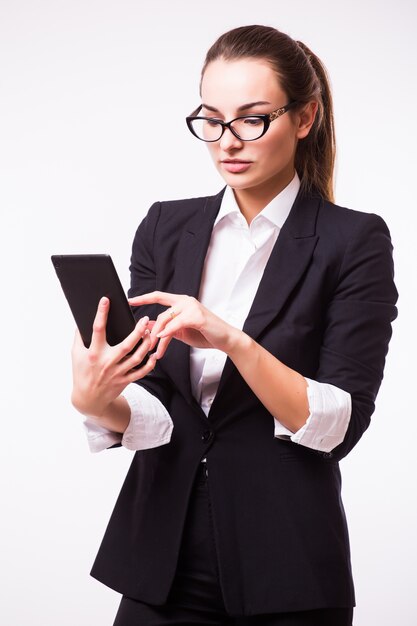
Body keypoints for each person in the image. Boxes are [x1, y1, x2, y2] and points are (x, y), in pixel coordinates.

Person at [71, 25, 398, 626]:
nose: (228, 141)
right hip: (159, 556)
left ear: (305, 118)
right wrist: (100, 398)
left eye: (252, 119)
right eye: (212, 119)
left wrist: (232, 340)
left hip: (288, 563)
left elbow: (335, 425)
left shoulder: (355, 241)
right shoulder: (165, 227)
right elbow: (159, 408)